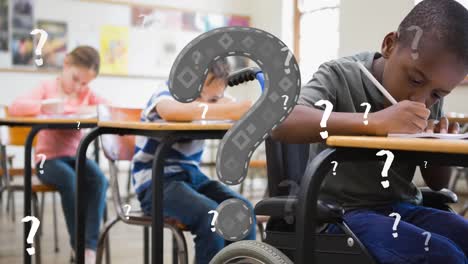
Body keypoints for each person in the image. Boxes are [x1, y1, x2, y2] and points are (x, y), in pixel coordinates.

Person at [272, 0, 468, 263]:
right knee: (445, 257)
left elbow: (437, 183)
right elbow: (281, 122)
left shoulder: (427, 100)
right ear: (389, 45)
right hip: (340, 214)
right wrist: (374, 121)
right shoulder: (340, 75)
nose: (421, 100)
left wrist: (437, 144)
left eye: (437, 94)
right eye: (415, 80)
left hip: (402, 206)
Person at [132, 59, 256, 264]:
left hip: (192, 178)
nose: (206, 102)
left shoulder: (218, 100)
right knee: (211, 216)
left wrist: (224, 106)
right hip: (155, 182)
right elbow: (169, 110)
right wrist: (219, 107)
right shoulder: (168, 91)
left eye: (214, 98)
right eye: (197, 95)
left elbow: (237, 109)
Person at [9, 46, 108, 264]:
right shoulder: (46, 88)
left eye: (85, 83)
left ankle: (89, 249)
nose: (79, 86)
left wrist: (88, 110)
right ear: (65, 65)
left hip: (75, 157)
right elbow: (16, 107)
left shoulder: (86, 93)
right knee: (70, 181)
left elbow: (109, 108)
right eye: (76, 79)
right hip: (47, 160)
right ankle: (78, 246)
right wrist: (46, 107)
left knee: (99, 180)